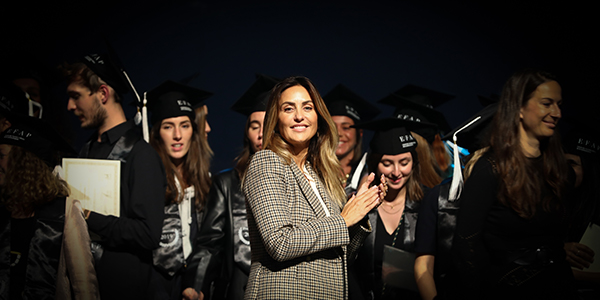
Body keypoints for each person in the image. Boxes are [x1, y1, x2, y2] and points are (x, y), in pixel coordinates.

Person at [242, 75, 386, 299]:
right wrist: (344, 220)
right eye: (288, 109)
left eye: (307, 107)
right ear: (276, 119)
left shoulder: (319, 175)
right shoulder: (267, 162)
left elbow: (340, 256)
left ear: (318, 116)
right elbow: (280, 243)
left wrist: (361, 210)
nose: (299, 116)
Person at [451, 69, 576, 299]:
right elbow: (465, 246)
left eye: (559, 104)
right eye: (547, 103)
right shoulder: (490, 169)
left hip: (559, 285)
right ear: (519, 106)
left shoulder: (561, 171)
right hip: (506, 288)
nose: (556, 113)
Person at [63, 53, 167, 299]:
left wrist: (85, 216)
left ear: (102, 94)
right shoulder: (85, 151)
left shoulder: (141, 155)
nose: (69, 106)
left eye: (76, 96)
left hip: (122, 288)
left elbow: (148, 233)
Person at [0, 116, 96, 299]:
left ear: (23, 162)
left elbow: (84, 283)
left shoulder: (66, 209)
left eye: (1, 156)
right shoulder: (4, 207)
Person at [146, 80, 219, 300]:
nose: (177, 135)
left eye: (185, 125)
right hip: (156, 283)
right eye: (168, 126)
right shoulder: (147, 179)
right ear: (158, 132)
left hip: (195, 284)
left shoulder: (205, 180)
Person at [209, 73, 278, 300]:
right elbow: (210, 244)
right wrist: (196, 283)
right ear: (246, 133)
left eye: (267, 125)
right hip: (236, 287)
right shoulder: (227, 183)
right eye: (253, 126)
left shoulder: (299, 180)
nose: (260, 134)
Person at [350, 118, 428, 300]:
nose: (396, 172)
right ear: (375, 164)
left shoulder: (427, 204)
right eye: (387, 163)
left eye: (404, 162)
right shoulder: (359, 205)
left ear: (414, 163)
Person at [323, 84, 380, 197]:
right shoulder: (315, 172)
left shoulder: (370, 172)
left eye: (346, 127)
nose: (338, 133)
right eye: (333, 128)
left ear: (360, 133)